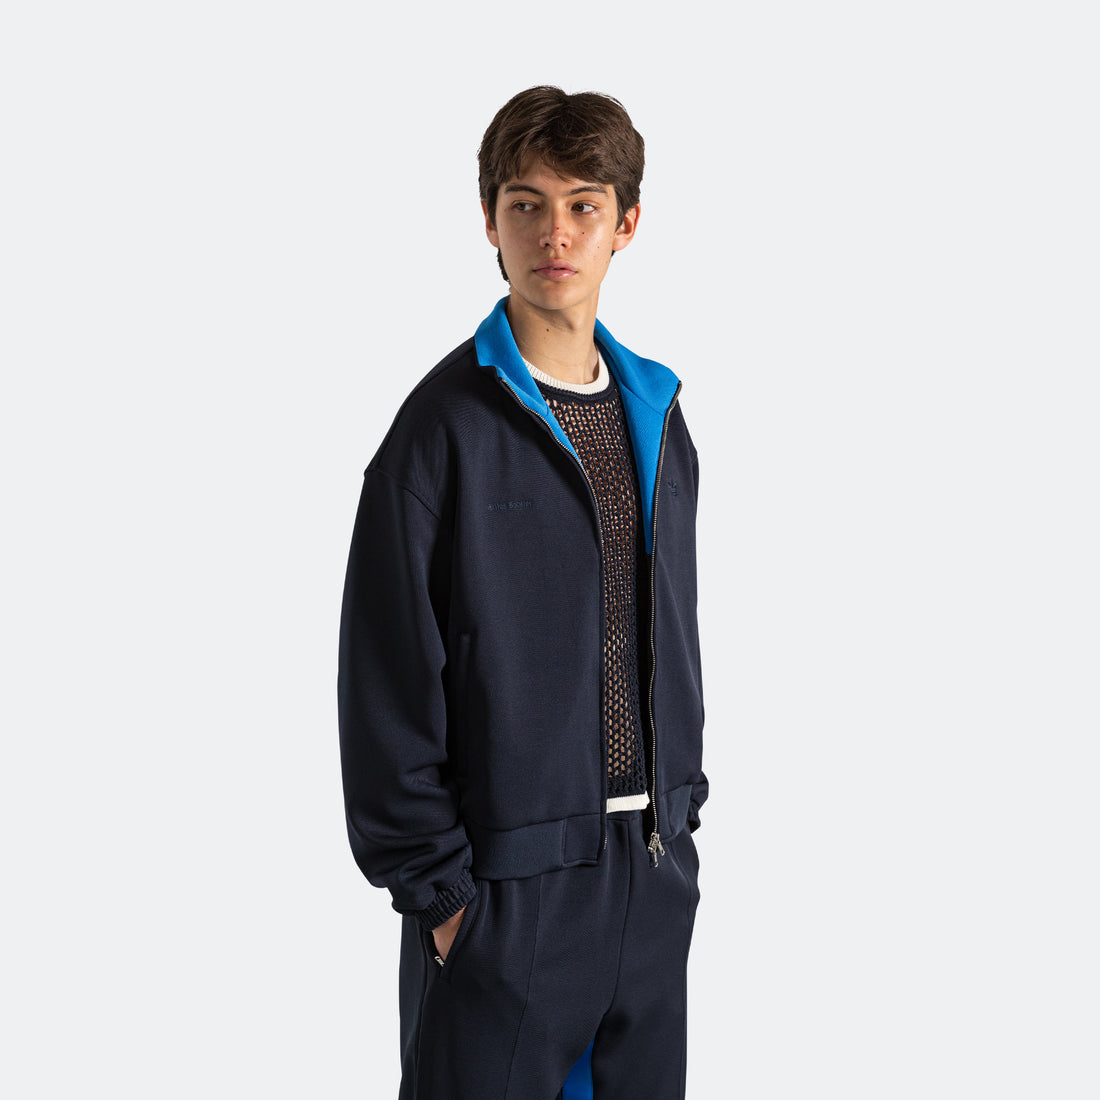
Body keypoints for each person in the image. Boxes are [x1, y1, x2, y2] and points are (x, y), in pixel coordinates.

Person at [338, 85, 707, 1100]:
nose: (555, 232)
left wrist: (681, 820)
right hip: (504, 893)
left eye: (583, 204)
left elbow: (669, 636)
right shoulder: (440, 432)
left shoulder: (658, 415)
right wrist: (445, 898)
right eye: (526, 204)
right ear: (489, 222)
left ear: (626, 223)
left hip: (648, 875)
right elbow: (384, 680)